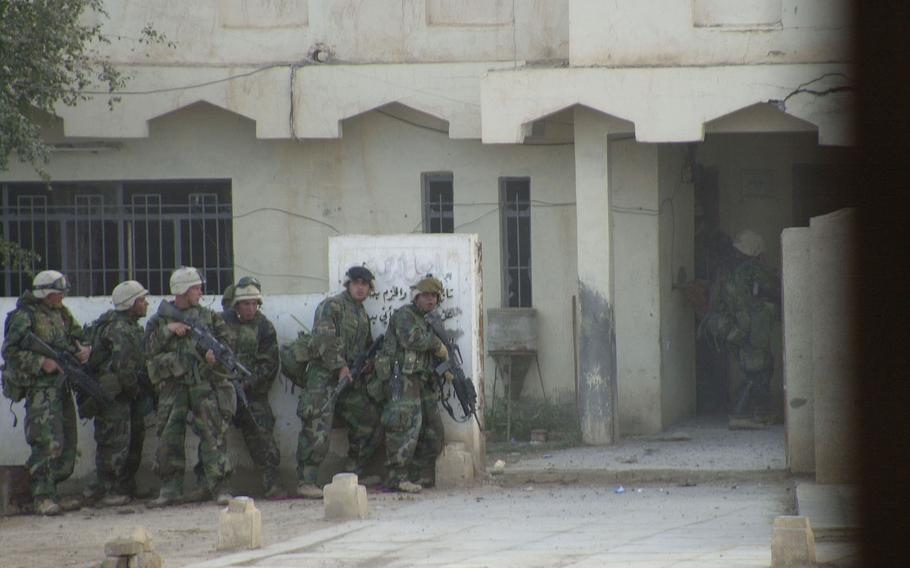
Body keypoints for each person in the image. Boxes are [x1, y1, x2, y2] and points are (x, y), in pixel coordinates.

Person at [1, 270, 91, 515]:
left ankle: (52, 492)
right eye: (57, 292)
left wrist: (83, 348)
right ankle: (41, 496)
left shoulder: (61, 314)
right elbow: (10, 352)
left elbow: (78, 335)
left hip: (61, 386)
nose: (61, 296)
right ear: (45, 293)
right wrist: (41, 362)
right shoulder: (24, 316)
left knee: (68, 444)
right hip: (41, 390)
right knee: (46, 443)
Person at [145, 267, 235, 507]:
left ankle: (217, 486)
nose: (200, 292)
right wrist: (168, 330)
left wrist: (213, 357)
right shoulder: (160, 320)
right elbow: (148, 350)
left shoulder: (209, 318)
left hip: (202, 383)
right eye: (196, 288)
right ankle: (169, 488)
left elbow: (226, 344)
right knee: (168, 437)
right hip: (172, 387)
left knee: (213, 434)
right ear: (182, 291)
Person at [296, 266, 382, 498]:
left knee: (369, 418)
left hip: (349, 379)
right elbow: (324, 339)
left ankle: (353, 473)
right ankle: (306, 480)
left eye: (365, 284)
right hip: (323, 377)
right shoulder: (332, 305)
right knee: (317, 427)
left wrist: (368, 363)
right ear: (348, 284)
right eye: (356, 283)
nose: (361, 287)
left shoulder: (361, 313)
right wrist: (340, 366)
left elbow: (366, 345)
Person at [376, 276, 450, 493]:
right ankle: (397, 477)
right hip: (402, 379)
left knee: (434, 429)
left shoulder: (429, 320)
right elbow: (411, 339)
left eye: (434, 296)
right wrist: (437, 345)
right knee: (404, 425)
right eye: (426, 296)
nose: (431, 300)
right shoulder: (404, 315)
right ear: (416, 297)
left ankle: (416, 473)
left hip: (422, 379)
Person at [81, 280, 150, 507]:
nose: (145, 303)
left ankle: (124, 486)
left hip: (123, 394)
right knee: (114, 442)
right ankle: (106, 489)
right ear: (131, 305)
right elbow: (124, 368)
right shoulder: (120, 329)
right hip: (114, 394)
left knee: (131, 439)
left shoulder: (129, 326)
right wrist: (136, 390)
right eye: (141, 300)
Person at [702, 230, 780, 426]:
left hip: (731, 329)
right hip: (751, 329)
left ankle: (759, 413)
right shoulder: (752, 269)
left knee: (753, 370)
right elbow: (775, 287)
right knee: (759, 371)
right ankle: (741, 414)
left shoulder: (726, 270)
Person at [220, 277, 285, 498]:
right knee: (212, 432)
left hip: (251, 392)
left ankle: (271, 483)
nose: (250, 308)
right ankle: (218, 485)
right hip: (222, 388)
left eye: (254, 304)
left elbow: (269, 363)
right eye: (245, 304)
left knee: (262, 430)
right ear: (237, 305)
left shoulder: (264, 326)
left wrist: (248, 383)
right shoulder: (221, 323)